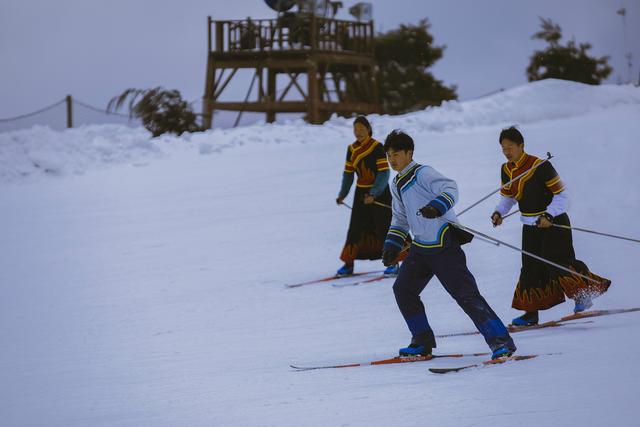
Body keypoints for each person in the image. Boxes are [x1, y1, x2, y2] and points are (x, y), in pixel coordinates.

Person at [381, 130, 516, 360]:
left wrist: (437, 207)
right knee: (403, 289)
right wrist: (392, 244)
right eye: (388, 155)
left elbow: (450, 188)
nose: (392, 160)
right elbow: (400, 218)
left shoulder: (423, 173)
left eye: (396, 154)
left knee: (465, 294)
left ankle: (501, 341)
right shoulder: (396, 183)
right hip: (421, 248)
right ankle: (421, 341)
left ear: (409, 153)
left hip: (444, 243)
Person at [491, 126, 611, 327]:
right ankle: (530, 314)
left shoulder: (540, 166)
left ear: (521, 145)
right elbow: (509, 197)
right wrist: (499, 213)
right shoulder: (507, 169)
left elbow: (563, 196)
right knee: (530, 267)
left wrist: (548, 215)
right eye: (503, 148)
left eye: (510, 147)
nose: (507, 152)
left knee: (555, 261)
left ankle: (583, 295)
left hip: (552, 223)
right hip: (530, 225)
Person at [336, 116, 403, 277]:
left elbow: (384, 172)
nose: (358, 132)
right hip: (361, 194)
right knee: (356, 229)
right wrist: (342, 195)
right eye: (355, 129)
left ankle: (393, 263)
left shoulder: (377, 147)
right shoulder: (351, 149)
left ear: (368, 130)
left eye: (361, 129)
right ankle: (348, 264)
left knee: (384, 227)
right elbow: (348, 175)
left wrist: (374, 193)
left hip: (379, 194)